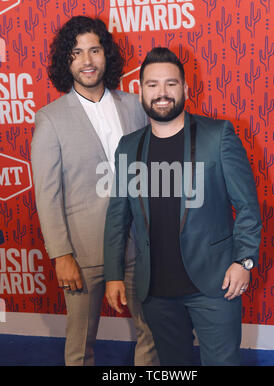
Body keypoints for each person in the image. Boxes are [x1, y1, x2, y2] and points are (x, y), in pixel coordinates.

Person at [104, 47, 262, 366]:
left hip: (215, 285)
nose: (161, 93)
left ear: (186, 89)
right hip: (156, 289)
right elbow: (117, 217)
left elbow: (247, 206)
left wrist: (244, 261)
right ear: (141, 92)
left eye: (170, 84)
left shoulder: (218, 136)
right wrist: (113, 274)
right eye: (152, 85)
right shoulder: (128, 146)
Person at [31, 16, 158, 366]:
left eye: (94, 50)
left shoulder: (134, 105)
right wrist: (61, 255)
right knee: (81, 344)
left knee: (153, 331)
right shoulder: (50, 119)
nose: (87, 60)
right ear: (66, 61)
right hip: (84, 252)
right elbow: (47, 194)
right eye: (76, 53)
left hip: (136, 242)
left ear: (107, 55)